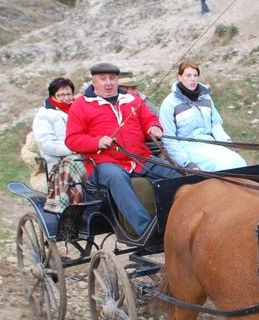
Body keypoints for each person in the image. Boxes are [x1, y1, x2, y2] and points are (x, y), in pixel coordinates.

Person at [64, 62, 179, 238]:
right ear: (94, 81)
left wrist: (153, 128)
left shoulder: (132, 100)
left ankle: (178, 222)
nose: (108, 83)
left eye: (112, 78)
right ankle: (146, 231)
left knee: (175, 174)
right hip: (104, 163)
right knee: (117, 178)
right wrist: (97, 141)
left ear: (117, 80)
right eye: (103, 79)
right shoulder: (81, 105)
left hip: (140, 159)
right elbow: (72, 140)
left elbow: (149, 119)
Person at [159, 61, 246, 172]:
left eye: (195, 75)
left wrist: (228, 144)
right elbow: (168, 139)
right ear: (179, 77)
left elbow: (215, 124)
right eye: (188, 75)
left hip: (210, 143)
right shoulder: (169, 103)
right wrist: (186, 163)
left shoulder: (206, 98)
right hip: (187, 148)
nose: (193, 79)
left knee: (237, 160)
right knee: (223, 162)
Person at [32, 77, 76, 173]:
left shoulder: (79, 109)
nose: (66, 98)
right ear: (52, 96)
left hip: (83, 154)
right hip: (59, 161)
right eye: (61, 95)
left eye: (69, 94)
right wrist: (75, 148)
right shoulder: (43, 115)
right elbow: (46, 144)